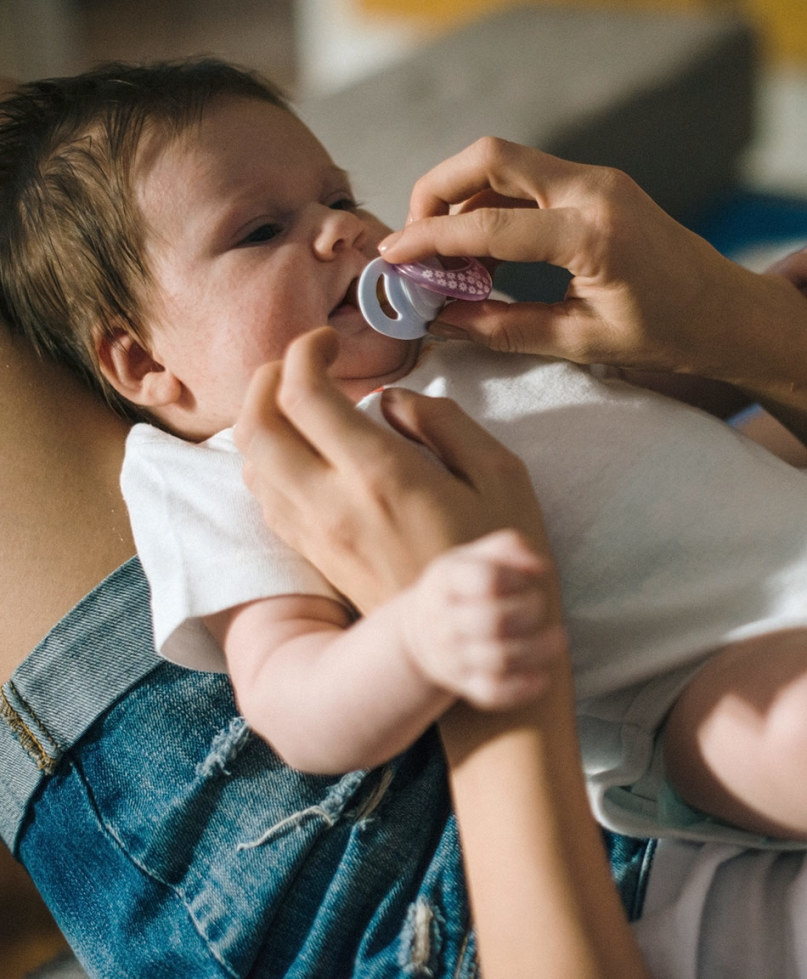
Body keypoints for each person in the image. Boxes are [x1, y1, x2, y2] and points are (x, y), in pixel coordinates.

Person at [4, 60, 807, 849]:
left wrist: (749, 318)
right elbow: (289, 699)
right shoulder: (223, 472)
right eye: (261, 230)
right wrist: (417, 638)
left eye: (339, 196)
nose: (342, 228)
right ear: (145, 363)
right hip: (689, 687)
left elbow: (642, 403)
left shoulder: (462, 335)